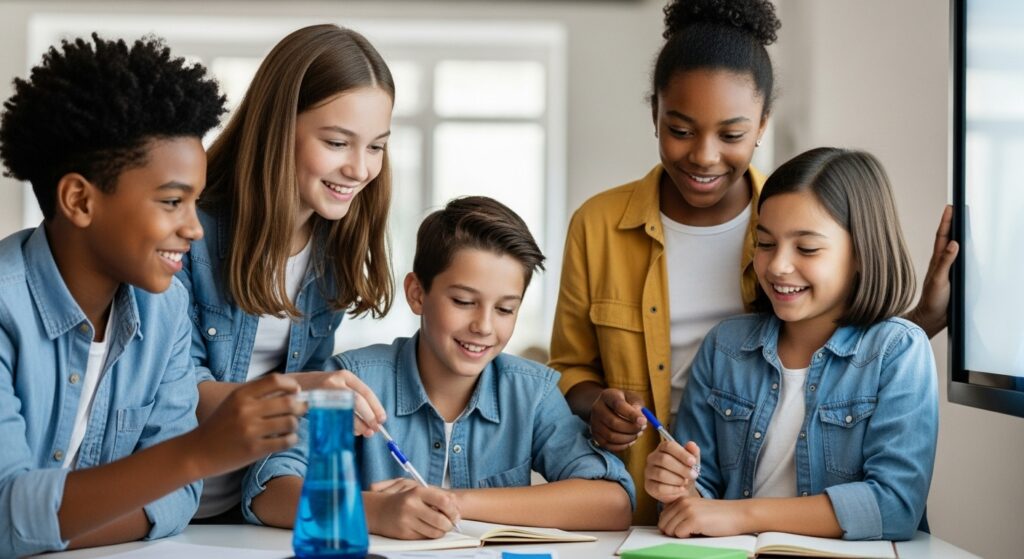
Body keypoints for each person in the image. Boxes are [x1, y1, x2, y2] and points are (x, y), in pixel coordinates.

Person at [549, 0, 957, 523]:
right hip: (655, 495)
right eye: (680, 129)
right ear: (654, 113)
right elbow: (568, 366)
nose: (704, 155)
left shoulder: (792, 210)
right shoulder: (599, 225)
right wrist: (596, 405)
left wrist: (919, 321)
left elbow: (845, 346)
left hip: (731, 514)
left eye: (732, 134)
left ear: (763, 123)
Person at [0, 34, 305, 556]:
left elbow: (178, 500)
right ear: (79, 199)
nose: (195, 229)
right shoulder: (7, 309)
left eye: (196, 203)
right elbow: (5, 514)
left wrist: (38, 531)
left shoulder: (164, 311)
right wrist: (197, 453)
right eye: (171, 201)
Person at [242, 197, 636, 538]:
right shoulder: (354, 380)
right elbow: (267, 491)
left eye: (504, 309)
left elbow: (613, 502)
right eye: (464, 301)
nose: (483, 326)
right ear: (417, 294)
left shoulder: (532, 393)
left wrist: (452, 502)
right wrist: (377, 513)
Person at [645, 147, 938, 541]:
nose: (778, 266)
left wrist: (742, 515)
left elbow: (895, 505)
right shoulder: (725, 347)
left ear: (861, 255)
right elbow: (700, 497)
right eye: (765, 244)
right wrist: (679, 489)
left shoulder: (897, 351)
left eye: (807, 248)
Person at [178, 24, 392, 522]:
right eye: (338, 142)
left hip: (251, 510)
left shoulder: (335, 247)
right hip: (160, 508)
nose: (360, 169)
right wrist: (308, 391)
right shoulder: (190, 232)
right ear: (279, 128)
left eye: (377, 146)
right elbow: (174, 393)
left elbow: (291, 427)